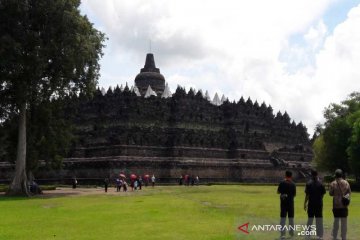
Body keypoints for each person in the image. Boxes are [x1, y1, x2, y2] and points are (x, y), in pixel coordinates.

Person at [329, 169, 351, 240]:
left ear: (335, 175)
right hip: (344, 206)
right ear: (341, 175)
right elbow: (349, 193)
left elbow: (330, 193)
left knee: (336, 221)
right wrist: (345, 198)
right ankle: (343, 237)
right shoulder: (346, 183)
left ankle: (335, 236)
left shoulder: (333, 183)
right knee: (344, 223)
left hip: (336, 206)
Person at [304, 170, 326, 239]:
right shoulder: (321, 183)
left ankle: (308, 234)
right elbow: (323, 194)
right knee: (319, 219)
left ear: (311, 175)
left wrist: (305, 203)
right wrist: (319, 199)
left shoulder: (308, 183)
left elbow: (307, 195)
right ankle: (319, 235)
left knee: (310, 219)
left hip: (311, 204)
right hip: (319, 203)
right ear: (317, 174)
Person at [277, 170, 296, 239]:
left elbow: (278, 192)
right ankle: (291, 233)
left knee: (283, 219)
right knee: (291, 218)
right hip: (291, 203)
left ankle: (282, 234)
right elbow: (294, 194)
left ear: (285, 175)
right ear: (291, 176)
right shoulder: (293, 184)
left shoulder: (282, 183)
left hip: (283, 203)